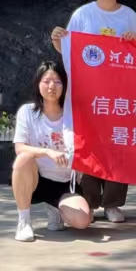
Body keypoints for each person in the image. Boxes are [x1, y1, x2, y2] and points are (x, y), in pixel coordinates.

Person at [49, 0, 136, 222]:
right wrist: (57, 40)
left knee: (117, 144)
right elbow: (68, 49)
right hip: (89, 94)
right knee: (89, 145)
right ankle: (89, 201)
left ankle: (113, 204)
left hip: (121, 95)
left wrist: (135, 41)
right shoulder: (83, 14)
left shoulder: (129, 16)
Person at [11, 60, 94, 242]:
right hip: (37, 179)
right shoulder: (27, 112)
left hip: (65, 182)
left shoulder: (73, 114)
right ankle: (24, 221)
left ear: (65, 86)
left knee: (82, 221)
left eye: (57, 82)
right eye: (46, 81)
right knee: (23, 159)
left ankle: (55, 208)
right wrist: (48, 152)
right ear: (38, 84)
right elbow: (20, 147)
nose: (52, 87)